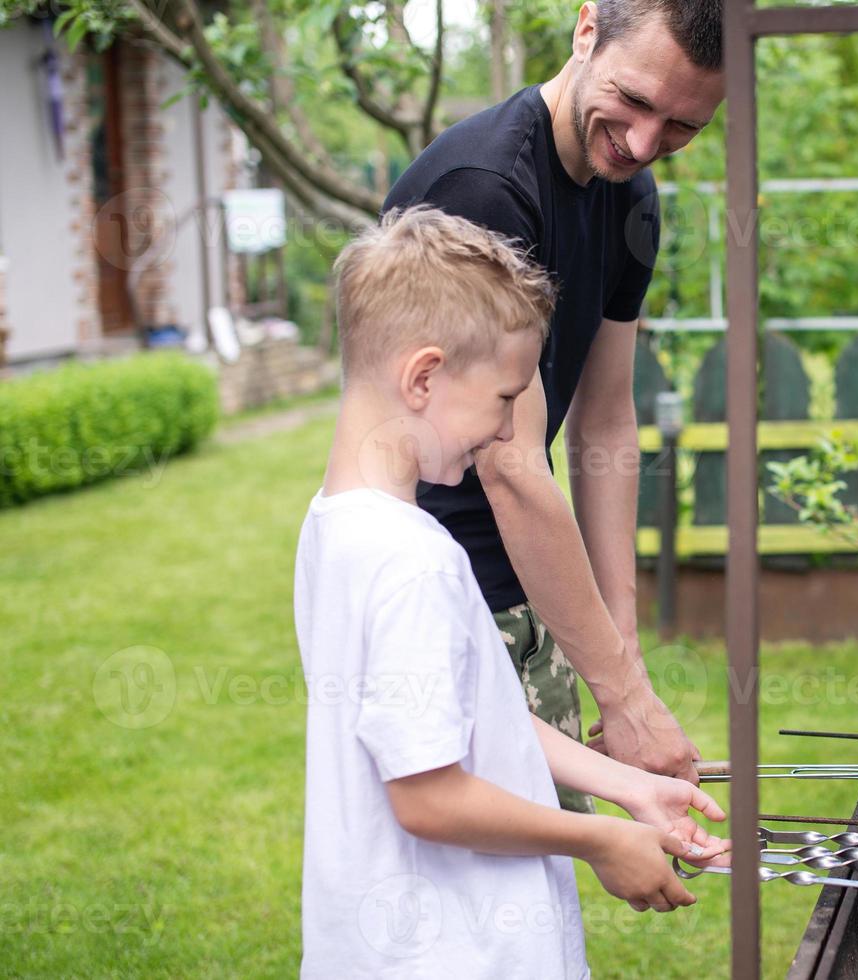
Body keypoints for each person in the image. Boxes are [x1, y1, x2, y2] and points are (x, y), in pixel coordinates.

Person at [294, 206, 729, 978]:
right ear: (423, 377)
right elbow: (427, 797)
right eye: (504, 399)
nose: (505, 432)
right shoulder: (412, 563)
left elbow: (471, 721)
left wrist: (630, 788)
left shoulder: (336, 527)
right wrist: (601, 839)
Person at [382, 0, 726, 804]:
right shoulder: (486, 191)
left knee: (534, 891)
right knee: (477, 879)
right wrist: (625, 700)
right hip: (444, 591)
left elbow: (606, 419)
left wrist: (622, 651)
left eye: (681, 128)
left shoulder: (631, 197)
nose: (644, 145)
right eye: (636, 101)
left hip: (533, 587)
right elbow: (508, 464)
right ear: (585, 31)